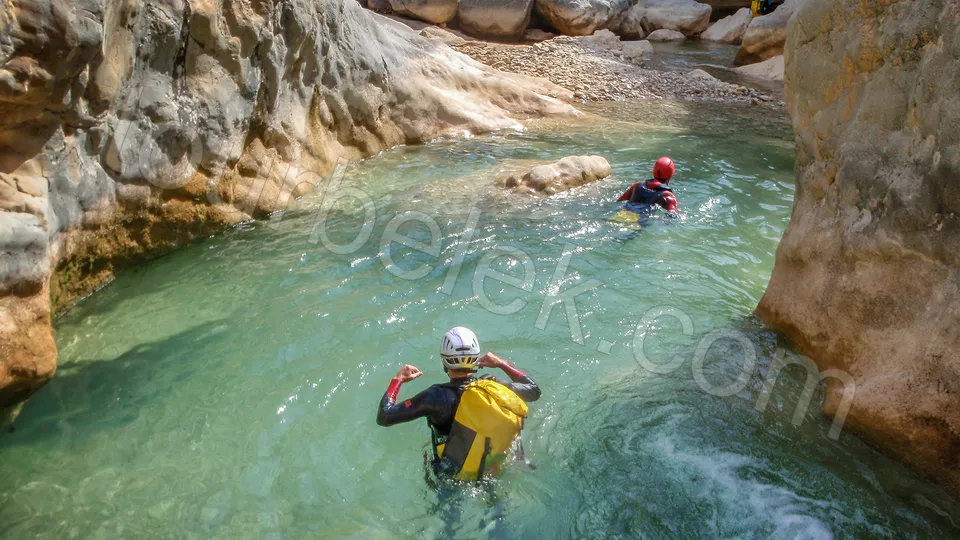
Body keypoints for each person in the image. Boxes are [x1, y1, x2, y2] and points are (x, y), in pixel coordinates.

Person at [376, 327, 540, 480]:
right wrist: (501, 363)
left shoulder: (435, 397)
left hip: (450, 474)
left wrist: (398, 380)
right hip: (487, 467)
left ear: (444, 361)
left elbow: (384, 416)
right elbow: (533, 390)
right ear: (476, 358)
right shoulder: (492, 385)